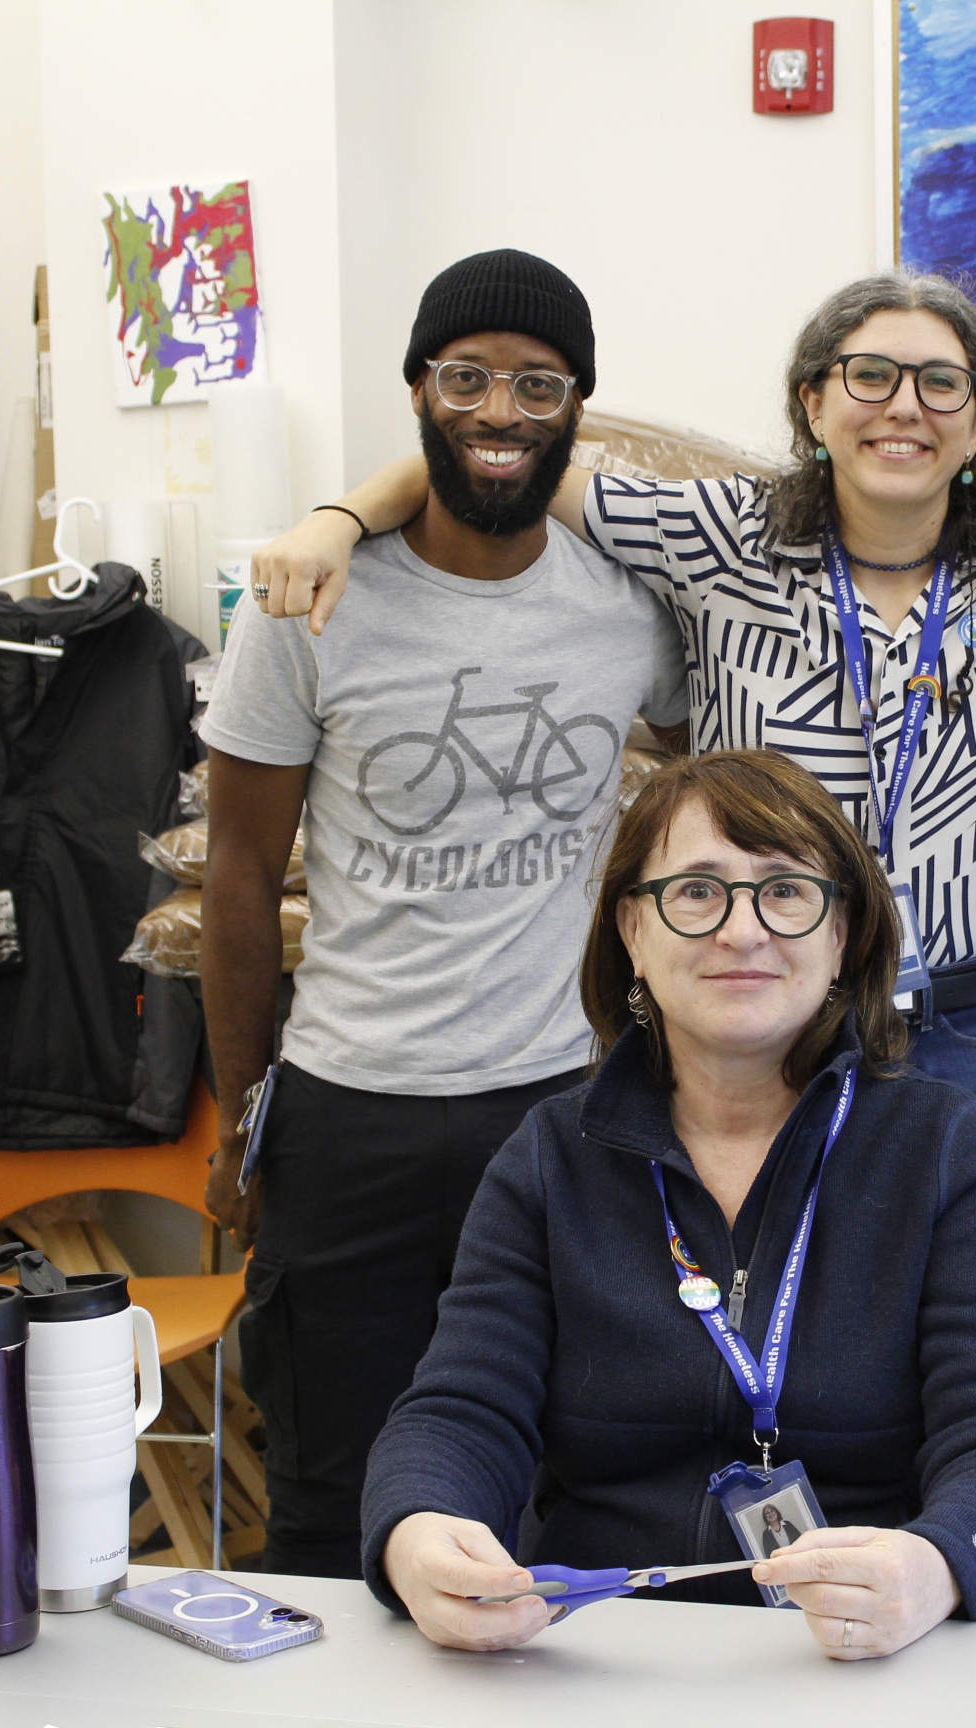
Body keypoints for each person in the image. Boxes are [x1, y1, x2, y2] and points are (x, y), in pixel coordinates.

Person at [250, 271, 976, 1214]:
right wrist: (340, 513)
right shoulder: (718, 534)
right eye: (869, 376)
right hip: (760, 1016)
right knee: (768, 1325)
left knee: (961, 1333)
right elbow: (502, 449)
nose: (902, 406)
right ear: (813, 406)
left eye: (939, 383)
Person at [197, 249, 687, 1577]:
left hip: (556, 1118)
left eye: (539, 383)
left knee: (556, 1488)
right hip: (348, 1120)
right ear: (416, 387)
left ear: (578, 404)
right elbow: (237, 876)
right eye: (466, 376)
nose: (500, 411)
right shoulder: (307, 602)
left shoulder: (630, 608)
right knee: (327, 1501)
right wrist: (243, 1119)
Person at [365, 749, 976, 1660]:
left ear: (843, 932)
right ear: (632, 927)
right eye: (697, 891)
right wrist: (418, 1534)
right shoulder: (550, 1156)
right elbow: (460, 1412)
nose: (742, 931)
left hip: (864, 1655)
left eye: (785, 892)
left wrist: (936, 1565)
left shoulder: (943, 1147)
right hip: (593, 1655)